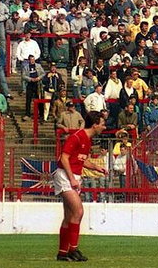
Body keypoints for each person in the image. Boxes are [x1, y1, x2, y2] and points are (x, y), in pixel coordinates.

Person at [54, 111, 107, 262]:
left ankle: (62, 253)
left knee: (69, 216)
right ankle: (73, 250)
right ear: (95, 124)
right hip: (65, 175)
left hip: (72, 176)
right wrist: (72, 179)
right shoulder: (76, 137)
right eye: (102, 124)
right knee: (79, 211)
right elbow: (64, 158)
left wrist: (96, 168)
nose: (104, 127)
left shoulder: (87, 140)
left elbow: (82, 160)